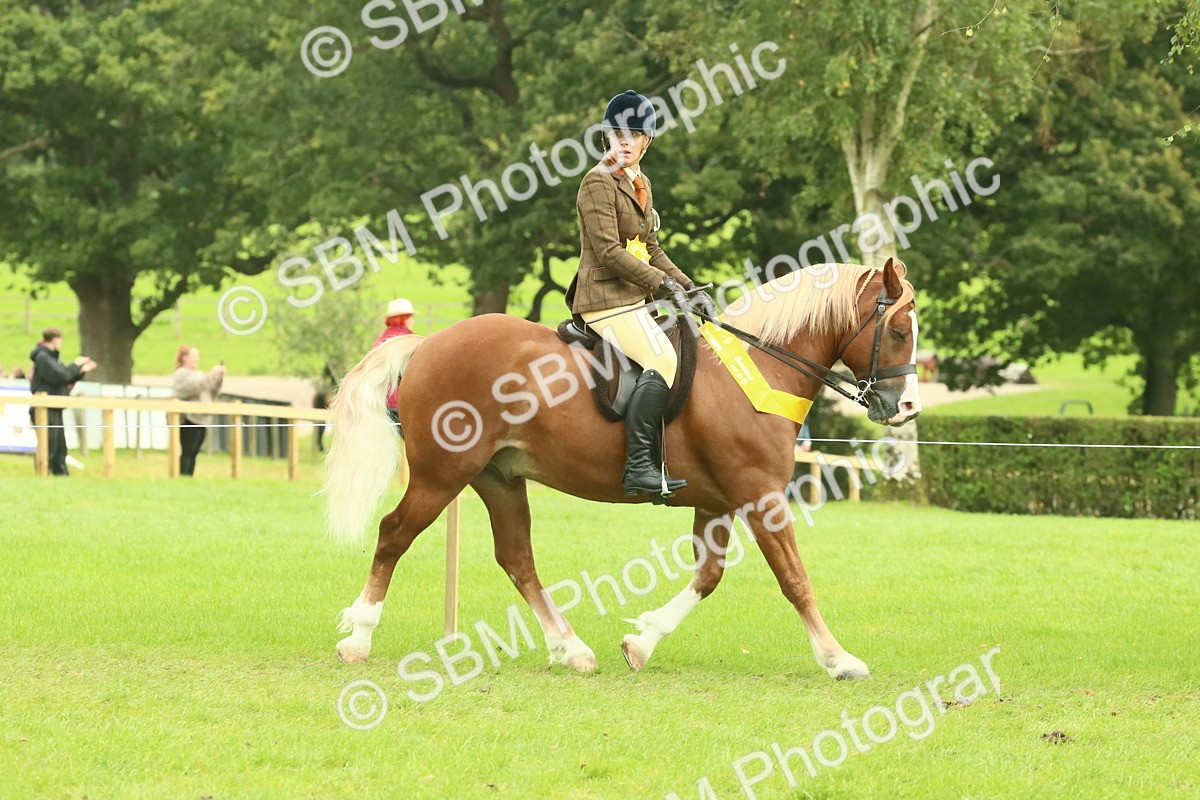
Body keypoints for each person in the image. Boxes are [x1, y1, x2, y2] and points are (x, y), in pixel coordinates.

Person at [567, 90, 718, 500]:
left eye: (635, 134)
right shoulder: (597, 182)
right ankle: (639, 468)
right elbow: (609, 252)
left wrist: (689, 286)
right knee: (661, 357)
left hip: (634, 300)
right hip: (603, 299)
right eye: (619, 133)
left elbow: (651, 249)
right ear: (607, 137)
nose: (626, 141)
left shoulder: (640, 183)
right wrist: (660, 284)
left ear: (646, 140)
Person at [28, 327, 97, 476]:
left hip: (54, 405)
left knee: (59, 444)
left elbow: (65, 377)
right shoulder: (43, 357)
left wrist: (81, 370)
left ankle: (60, 473)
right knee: (49, 443)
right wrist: (76, 364)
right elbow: (61, 375)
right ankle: (45, 471)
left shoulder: (51, 358)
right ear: (55, 339)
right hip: (45, 407)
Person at [172, 346, 225, 476]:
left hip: (202, 418)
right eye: (194, 356)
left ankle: (189, 477)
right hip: (189, 418)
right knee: (188, 450)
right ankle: (184, 476)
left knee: (194, 451)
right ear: (185, 358)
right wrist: (211, 374)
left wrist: (218, 378)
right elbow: (194, 386)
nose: (197, 359)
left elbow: (211, 392)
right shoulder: (181, 374)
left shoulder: (199, 374)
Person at [372, 298, 416, 424]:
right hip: (399, 401)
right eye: (410, 317)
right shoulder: (407, 339)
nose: (412, 321)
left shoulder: (381, 338)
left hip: (380, 401)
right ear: (404, 318)